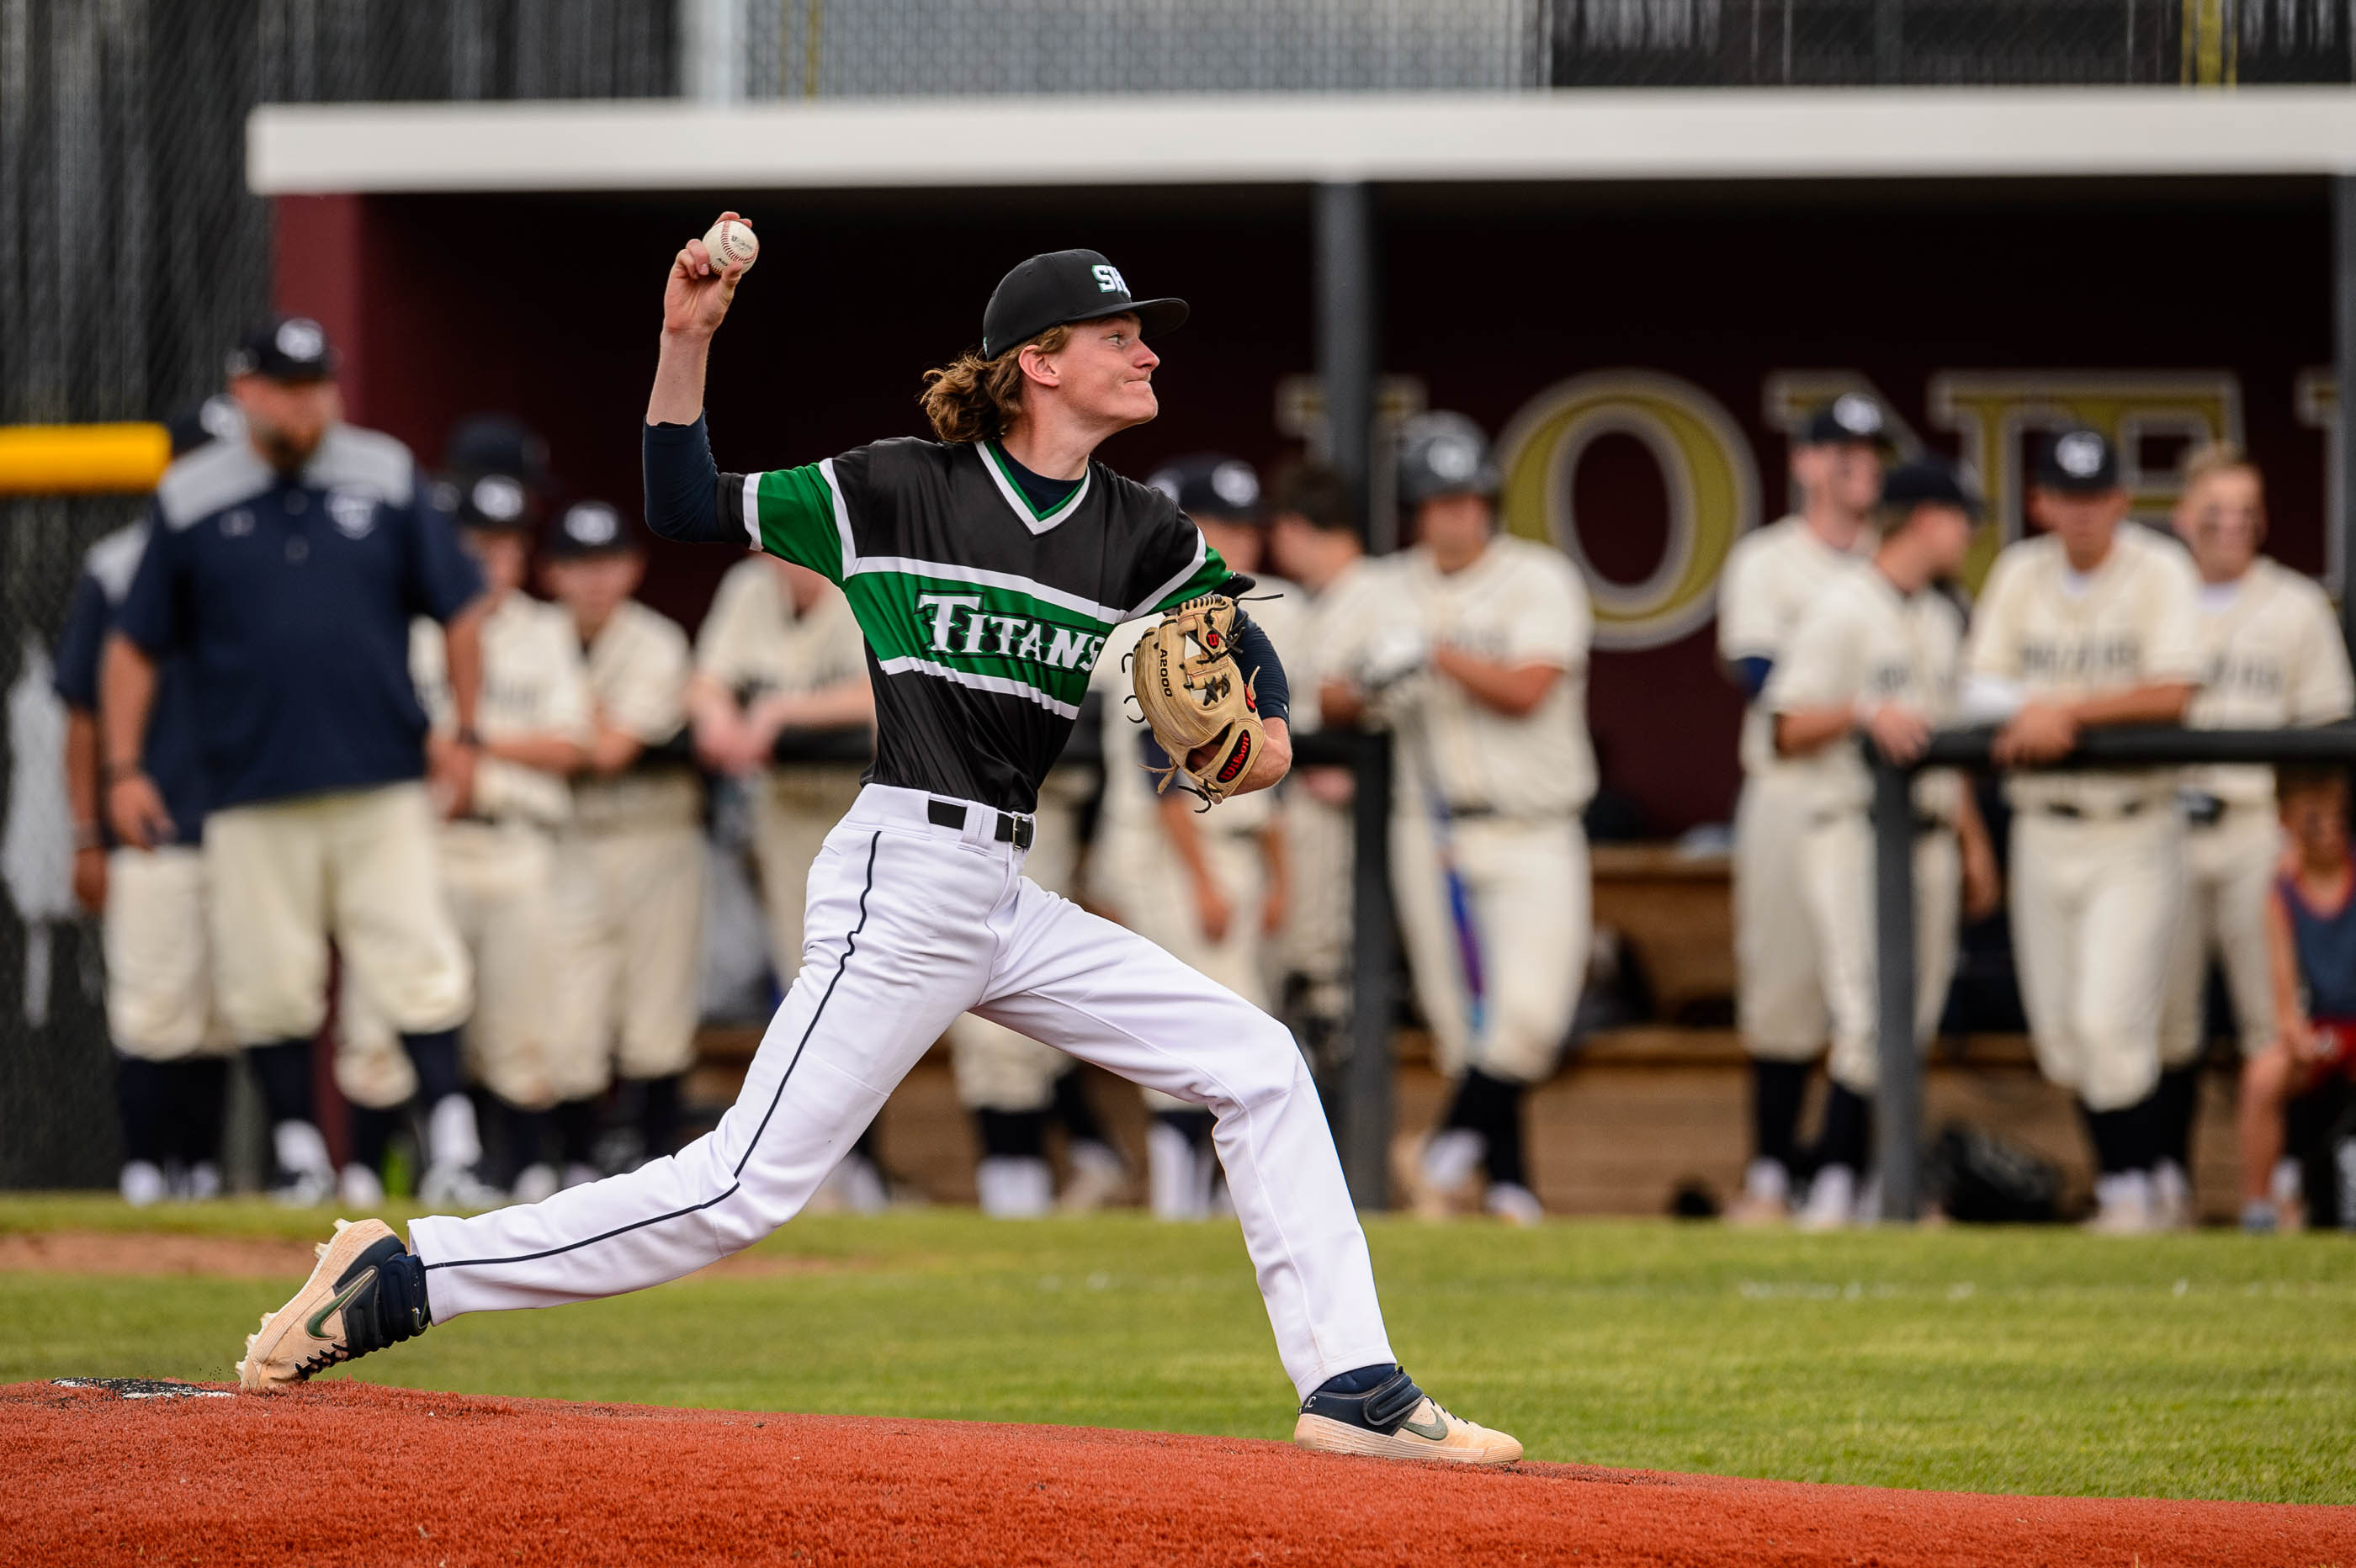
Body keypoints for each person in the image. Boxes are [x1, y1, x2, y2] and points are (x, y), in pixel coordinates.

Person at [239, 232, 1519, 1467]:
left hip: (1005, 895)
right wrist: (685, 340)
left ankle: (1351, 1384)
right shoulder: (897, 488)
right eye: (1119, 335)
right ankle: (412, 1271)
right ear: (1041, 361)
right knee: (740, 1187)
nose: (1147, 356)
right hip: (901, 880)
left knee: (1255, 1061)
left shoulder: (1141, 528)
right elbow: (682, 500)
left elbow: (1250, 665)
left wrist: (1266, 735)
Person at [103, 317, 485, 1205]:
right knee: (269, 979)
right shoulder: (191, 495)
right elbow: (133, 645)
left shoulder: (386, 472)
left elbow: (460, 609)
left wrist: (465, 734)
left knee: (417, 962)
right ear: (245, 391)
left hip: (381, 773)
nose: (306, 403)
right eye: (285, 385)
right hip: (249, 780)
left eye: (318, 384)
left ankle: (454, 1145)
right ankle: (299, 1150)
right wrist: (124, 769)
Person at [1330, 412, 1595, 1226]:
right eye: (1439, 502)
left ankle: (1440, 1154)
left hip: (1532, 824)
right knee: (1463, 1032)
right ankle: (1511, 1190)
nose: (1457, 515)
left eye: (1468, 498)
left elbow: (1527, 687)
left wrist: (1436, 652)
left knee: (1527, 1024)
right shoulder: (1378, 587)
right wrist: (1372, 676)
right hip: (1432, 828)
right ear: (1417, 510)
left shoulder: (1537, 577)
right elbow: (1327, 697)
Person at [1961, 427, 2200, 1232]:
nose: (2083, 512)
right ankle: (2139, 1187)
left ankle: (2134, 1190)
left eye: (2097, 496)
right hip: (2043, 827)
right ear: (2042, 503)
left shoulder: (2158, 567)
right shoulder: (2021, 572)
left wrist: (2063, 709)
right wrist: (2030, 710)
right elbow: (1978, 685)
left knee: (2112, 1023)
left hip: (2130, 823)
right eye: (2067, 496)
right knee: (2064, 1036)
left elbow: (2173, 691)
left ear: (2122, 502)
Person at [1763, 459, 2000, 1229]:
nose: (1966, 534)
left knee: (1912, 1025)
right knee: (1866, 1020)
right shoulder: (1843, 606)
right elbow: (1785, 727)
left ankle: (1866, 1182)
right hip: (1852, 833)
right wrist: (1861, 710)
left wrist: (1973, 844)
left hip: (1929, 838)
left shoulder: (1937, 613)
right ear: (1926, 519)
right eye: (1960, 518)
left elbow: (1945, 735)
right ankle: (1831, 1186)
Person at [1089, 453, 1300, 1218]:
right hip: (1177, 851)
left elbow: (1263, 768)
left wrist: (1278, 874)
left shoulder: (1234, 617)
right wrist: (1203, 881)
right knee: (1197, 1037)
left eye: (1249, 525)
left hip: (1232, 845)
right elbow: (1163, 770)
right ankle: (1181, 1212)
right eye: (1224, 524)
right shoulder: (1154, 620)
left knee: (1233, 1031)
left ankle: (1205, 1208)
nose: (1241, 540)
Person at [2156, 444, 2353, 1226]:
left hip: (2254, 829)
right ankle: (2165, 1184)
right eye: (2216, 510)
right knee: (2162, 1019)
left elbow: (2330, 730)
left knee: (2273, 1028)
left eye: (2247, 512)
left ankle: (2284, 1192)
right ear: (2183, 516)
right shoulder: (2153, 593)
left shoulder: (2295, 603)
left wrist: (2303, 841)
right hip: (2163, 825)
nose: (2231, 526)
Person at [54, 400, 241, 1205]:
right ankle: (142, 1167)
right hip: (152, 818)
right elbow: (82, 710)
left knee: (226, 1010)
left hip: (242, 815)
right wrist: (87, 832)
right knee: (152, 1006)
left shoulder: (258, 553)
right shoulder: (120, 563)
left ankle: (199, 1166)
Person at [1715, 395, 1886, 1223]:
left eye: (1868, 448)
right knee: (1782, 988)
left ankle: (1846, 1172)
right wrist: (1860, 695)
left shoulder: (1894, 560)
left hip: (1870, 795)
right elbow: (1760, 679)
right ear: (1807, 462)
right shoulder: (1768, 559)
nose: (1857, 462)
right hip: (1790, 787)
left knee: (1867, 997)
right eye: (1839, 447)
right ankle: (1774, 1167)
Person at [687, 537, 885, 1209]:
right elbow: (707, 679)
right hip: (784, 813)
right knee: (804, 985)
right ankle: (826, 1170)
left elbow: (880, 693)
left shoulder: (864, 582)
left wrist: (775, 712)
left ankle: (868, 1168)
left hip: (862, 810)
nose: (791, 563)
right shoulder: (749, 590)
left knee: (867, 997)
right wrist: (717, 716)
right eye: (780, 550)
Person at [540, 498, 707, 1178]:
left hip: (655, 834)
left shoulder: (657, 639)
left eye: (607, 563)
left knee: (655, 1016)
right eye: (578, 565)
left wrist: (521, 739)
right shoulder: (529, 635)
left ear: (632, 569)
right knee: (567, 1015)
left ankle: (656, 1168)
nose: (593, 580)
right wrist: (570, 735)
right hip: (566, 836)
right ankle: (574, 1165)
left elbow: (608, 750)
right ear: (552, 573)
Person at [944, 762, 1127, 1217]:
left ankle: (1020, 1203)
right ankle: (1082, 1154)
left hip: (1030, 811)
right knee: (975, 1026)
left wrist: (1095, 856)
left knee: (1002, 1028)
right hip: (946, 821)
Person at [1265, 460, 1380, 1068]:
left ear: (1295, 527)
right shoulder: (1317, 604)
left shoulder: (1378, 593)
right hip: (1308, 805)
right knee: (1304, 964)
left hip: (1367, 815)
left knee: (1333, 969)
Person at [2237, 765, 2356, 1232]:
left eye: (2338, 817)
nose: (2328, 828)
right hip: (2324, 1026)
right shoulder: (2283, 892)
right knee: (2263, 1075)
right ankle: (2260, 1208)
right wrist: (2297, 1035)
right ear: (2287, 823)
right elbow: (2284, 992)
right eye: (2314, 818)